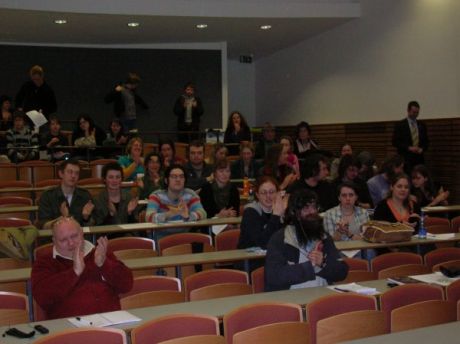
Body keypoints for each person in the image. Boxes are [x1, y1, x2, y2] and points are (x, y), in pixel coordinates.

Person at [31, 217, 133, 320]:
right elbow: (42, 298)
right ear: (54, 241)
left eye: (74, 236)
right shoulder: (45, 262)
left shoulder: (99, 253)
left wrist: (104, 264)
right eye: (63, 240)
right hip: (69, 328)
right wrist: (74, 272)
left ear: (82, 233)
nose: (71, 243)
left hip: (111, 322)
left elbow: (127, 285)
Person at [264, 189, 348, 292]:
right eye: (306, 208)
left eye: (314, 207)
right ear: (294, 212)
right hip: (291, 299)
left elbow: (342, 272)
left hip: (323, 295)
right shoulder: (281, 239)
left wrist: (322, 263)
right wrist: (309, 267)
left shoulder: (324, 237)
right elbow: (274, 277)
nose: (312, 212)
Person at [146, 164, 206, 236]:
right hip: (161, 238)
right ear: (166, 180)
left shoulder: (191, 195)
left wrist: (188, 216)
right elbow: (148, 217)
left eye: (181, 176)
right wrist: (169, 214)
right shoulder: (156, 196)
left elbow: (203, 213)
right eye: (174, 177)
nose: (178, 179)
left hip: (185, 237)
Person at [38, 159, 94, 229]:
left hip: (78, 238)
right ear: (61, 174)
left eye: (76, 173)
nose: (73, 176)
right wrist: (62, 219)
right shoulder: (48, 196)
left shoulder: (85, 195)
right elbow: (43, 226)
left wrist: (86, 218)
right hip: (55, 238)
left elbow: (91, 227)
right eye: (70, 172)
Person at [323, 182, 372, 259]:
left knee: (370, 251)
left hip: (360, 250)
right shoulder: (329, 214)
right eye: (344, 195)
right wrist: (339, 231)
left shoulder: (363, 213)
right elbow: (331, 242)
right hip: (338, 251)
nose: (348, 198)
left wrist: (349, 234)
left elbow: (367, 239)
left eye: (351, 195)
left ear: (356, 197)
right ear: (339, 198)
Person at [238, 176, 286, 250]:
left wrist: (282, 217)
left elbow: (285, 239)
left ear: (277, 193)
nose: (268, 196)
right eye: (263, 193)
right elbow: (263, 243)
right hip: (250, 258)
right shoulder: (250, 212)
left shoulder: (280, 210)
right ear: (257, 195)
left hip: (273, 256)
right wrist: (276, 216)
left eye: (272, 192)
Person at [392, 101, 429, 174]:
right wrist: (409, 148)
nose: (415, 114)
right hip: (406, 160)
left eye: (417, 112)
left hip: (419, 159)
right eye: (414, 112)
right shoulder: (400, 125)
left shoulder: (422, 125)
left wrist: (422, 149)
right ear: (408, 111)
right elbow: (395, 142)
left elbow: (426, 142)